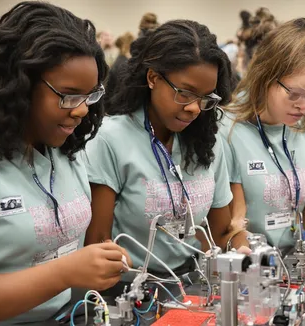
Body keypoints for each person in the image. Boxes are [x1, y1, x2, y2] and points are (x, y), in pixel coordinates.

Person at [0, 3, 130, 325]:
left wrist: (99, 260)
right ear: (17, 84)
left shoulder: (59, 139)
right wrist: (66, 271)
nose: (81, 111)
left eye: (90, 96)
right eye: (68, 95)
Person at [84, 20, 249, 275]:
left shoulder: (206, 140)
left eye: (206, 97)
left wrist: (244, 248)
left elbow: (220, 233)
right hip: (132, 288)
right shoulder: (110, 139)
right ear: (153, 78)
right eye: (184, 93)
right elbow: (98, 242)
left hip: (192, 279)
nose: (195, 108)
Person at [219, 18, 305, 251]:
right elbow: (230, 226)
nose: (303, 106)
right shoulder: (228, 130)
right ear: (264, 78)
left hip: (295, 260)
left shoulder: (303, 125)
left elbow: (304, 205)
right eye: (294, 94)